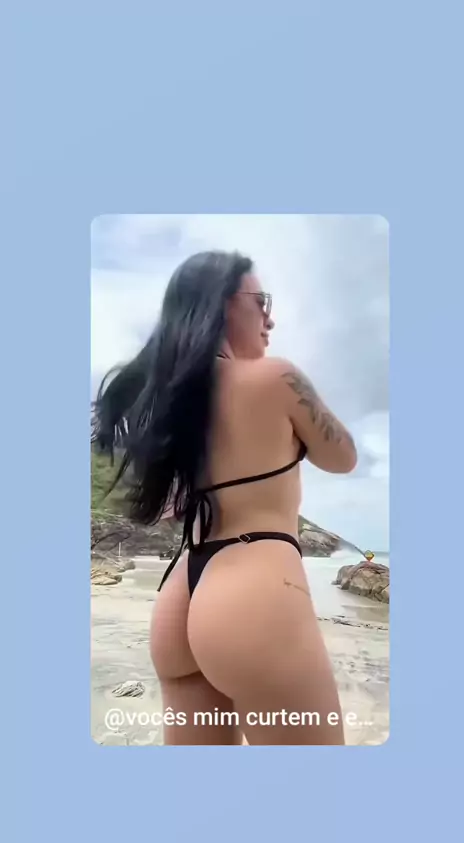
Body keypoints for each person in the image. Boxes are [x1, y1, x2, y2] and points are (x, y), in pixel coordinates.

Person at [92, 250, 357, 745]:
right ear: (223, 304)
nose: (270, 319)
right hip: (254, 590)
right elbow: (343, 458)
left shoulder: (171, 403)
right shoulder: (276, 377)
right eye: (262, 302)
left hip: (182, 595)